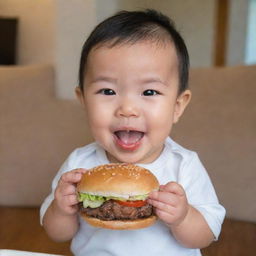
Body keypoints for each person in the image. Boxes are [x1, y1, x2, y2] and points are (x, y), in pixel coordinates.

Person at [40, 9, 225, 256]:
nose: (127, 109)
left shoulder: (184, 164)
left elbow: (205, 236)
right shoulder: (78, 165)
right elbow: (57, 234)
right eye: (107, 91)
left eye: (149, 92)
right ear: (83, 100)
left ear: (177, 107)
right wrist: (61, 210)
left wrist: (183, 217)